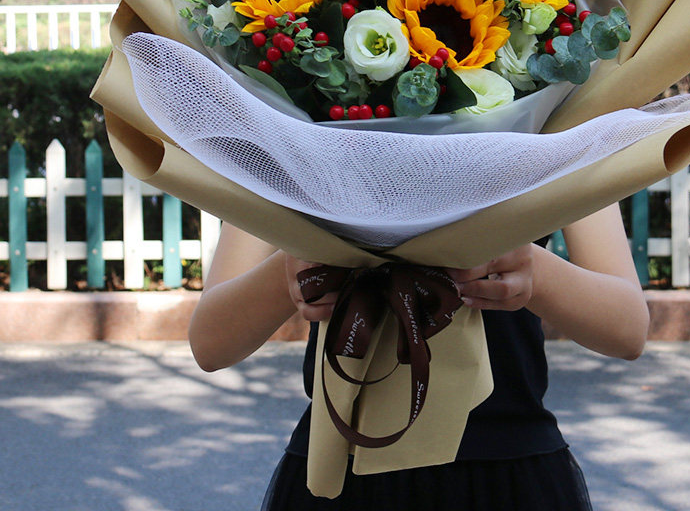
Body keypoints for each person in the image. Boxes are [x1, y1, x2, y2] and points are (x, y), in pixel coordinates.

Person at [189, 202, 649, 510]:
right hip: (342, 464)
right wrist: (290, 270)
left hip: (507, 463)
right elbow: (211, 342)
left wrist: (536, 273)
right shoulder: (294, 123)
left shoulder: (556, 117)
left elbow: (628, 329)